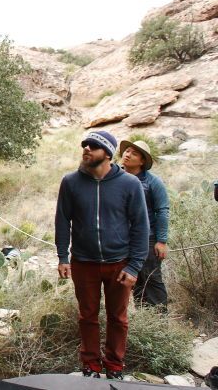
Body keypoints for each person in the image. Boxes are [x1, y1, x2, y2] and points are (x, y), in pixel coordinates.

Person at [55, 130, 149, 381]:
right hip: (84, 262)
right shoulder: (70, 182)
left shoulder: (129, 184)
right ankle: (91, 365)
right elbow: (62, 221)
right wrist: (63, 257)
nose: (86, 149)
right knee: (87, 315)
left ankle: (115, 366)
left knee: (118, 318)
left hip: (119, 263)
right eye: (85, 144)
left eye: (93, 146)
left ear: (107, 153)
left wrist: (134, 267)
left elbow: (141, 225)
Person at [119, 139, 170, 309]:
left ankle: (160, 323)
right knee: (133, 280)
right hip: (121, 239)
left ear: (142, 161)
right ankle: (143, 321)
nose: (128, 154)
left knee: (151, 279)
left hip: (147, 239)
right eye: (127, 151)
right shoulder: (114, 177)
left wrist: (161, 240)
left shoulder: (152, 182)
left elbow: (162, 210)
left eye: (134, 153)